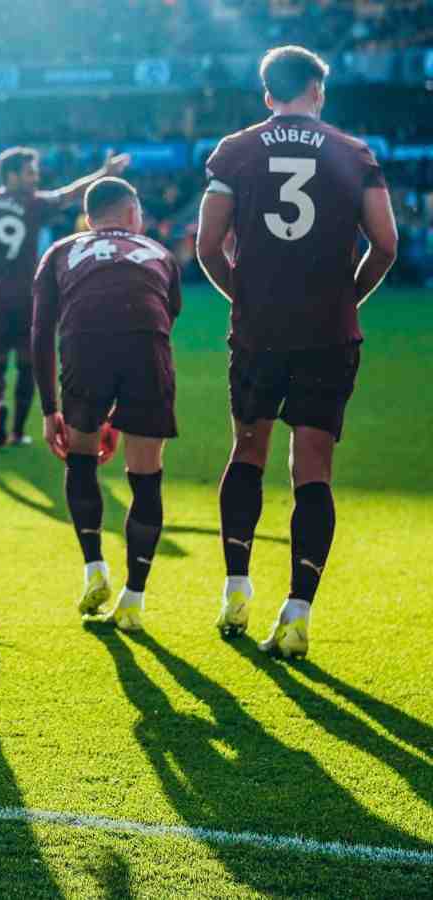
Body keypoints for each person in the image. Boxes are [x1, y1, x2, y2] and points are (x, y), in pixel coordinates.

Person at [196, 45, 397, 658]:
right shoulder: (354, 153)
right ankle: (298, 610)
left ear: (267, 95)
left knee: (247, 449)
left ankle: (235, 584)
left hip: (259, 331)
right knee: (312, 468)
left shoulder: (235, 150)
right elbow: (386, 245)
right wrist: (347, 302)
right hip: (328, 333)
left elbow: (206, 246)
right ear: (318, 89)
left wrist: (245, 297)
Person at [32, 178, 183, 631]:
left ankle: (94, 566)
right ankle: (134, 598)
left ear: (88, 215)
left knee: (81, 459)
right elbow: (164, 317)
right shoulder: (159, 252)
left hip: (84, 349)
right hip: (147, 351)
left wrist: (48, 408)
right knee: (146, 475)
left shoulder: (61, 251)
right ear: (133, 211)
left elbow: (40, 333)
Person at [0, 147, 131, 448]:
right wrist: (105, 174)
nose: (35, 177)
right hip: (28, 298)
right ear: (12, 175)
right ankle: (16, 432)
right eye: (30, 172)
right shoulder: (33, 203)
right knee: (28, 365)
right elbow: (69, 193)